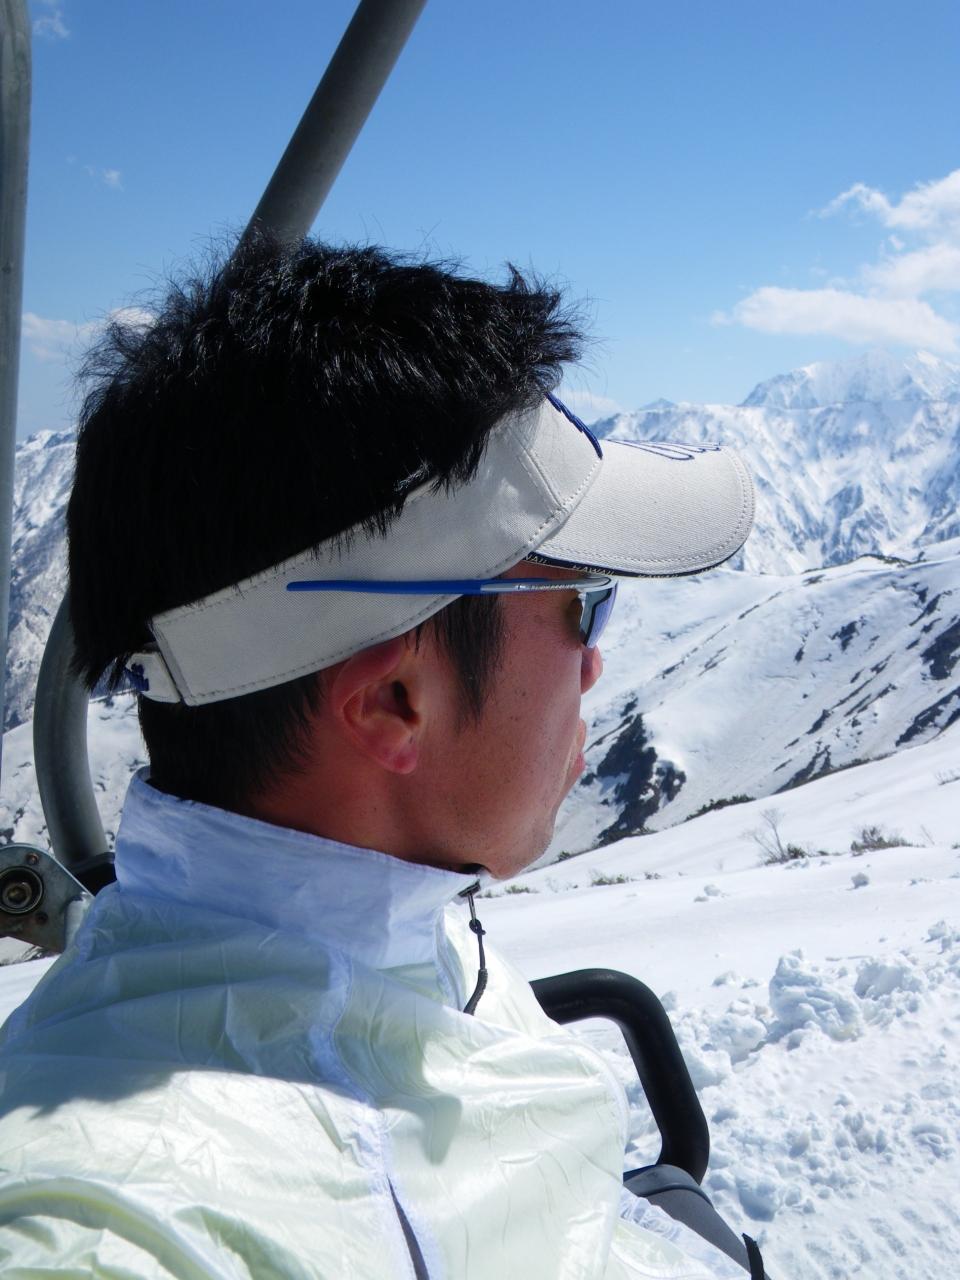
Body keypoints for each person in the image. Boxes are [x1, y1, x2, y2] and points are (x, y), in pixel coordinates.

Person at [0, 237, 757, 1278]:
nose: (595, 663)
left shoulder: (404, 923)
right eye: (583, 602)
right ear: (397, 700)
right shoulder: (120, 1221)